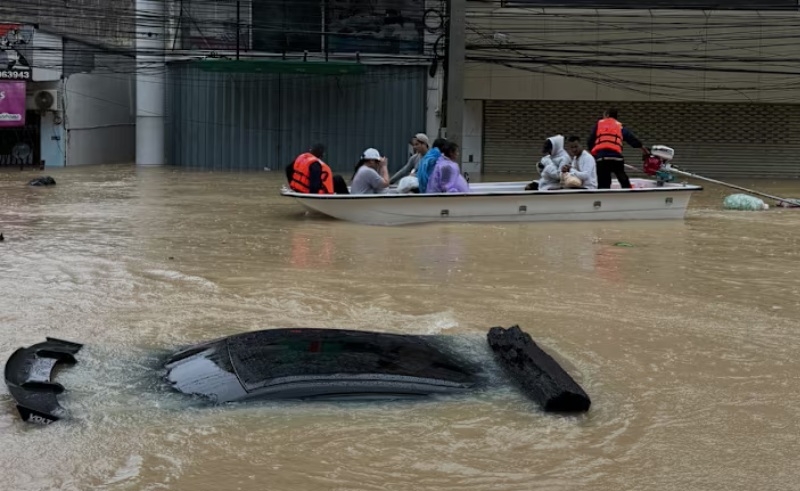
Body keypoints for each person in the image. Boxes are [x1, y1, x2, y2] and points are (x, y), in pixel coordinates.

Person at [587, 107, 648, 189]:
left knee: (603, 183)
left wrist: (594, 154)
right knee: (623, 179)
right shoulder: (619, 126)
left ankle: (604, 198)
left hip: (602, 158)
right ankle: (628, 195)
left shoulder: (599, 125)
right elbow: (631, 139)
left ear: (607, 115)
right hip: (616, 158)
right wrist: (643, 149)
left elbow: (590, 141)